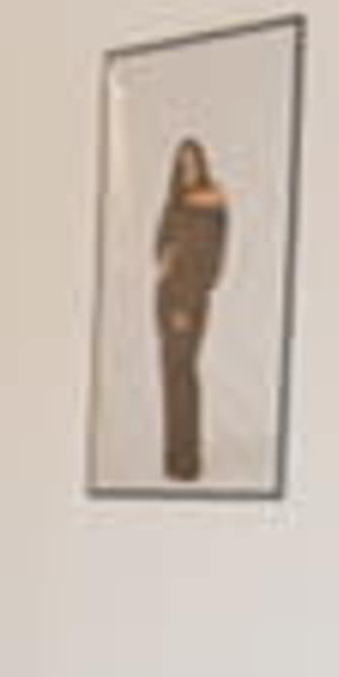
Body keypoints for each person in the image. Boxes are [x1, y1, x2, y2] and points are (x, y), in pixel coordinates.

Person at [150, 136, 230, 483]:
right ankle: (174, 458)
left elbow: (215, 254)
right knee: (172, 375)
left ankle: (187, 463)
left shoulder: (213, 199)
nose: (187, 167)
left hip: (188, 296)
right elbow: (158, 247)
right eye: (182, 161)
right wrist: (167, 259)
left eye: (193, 159)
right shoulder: (173, 202)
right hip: (167, 294)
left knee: (183, 375)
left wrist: (190, 294)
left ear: (202, 161)